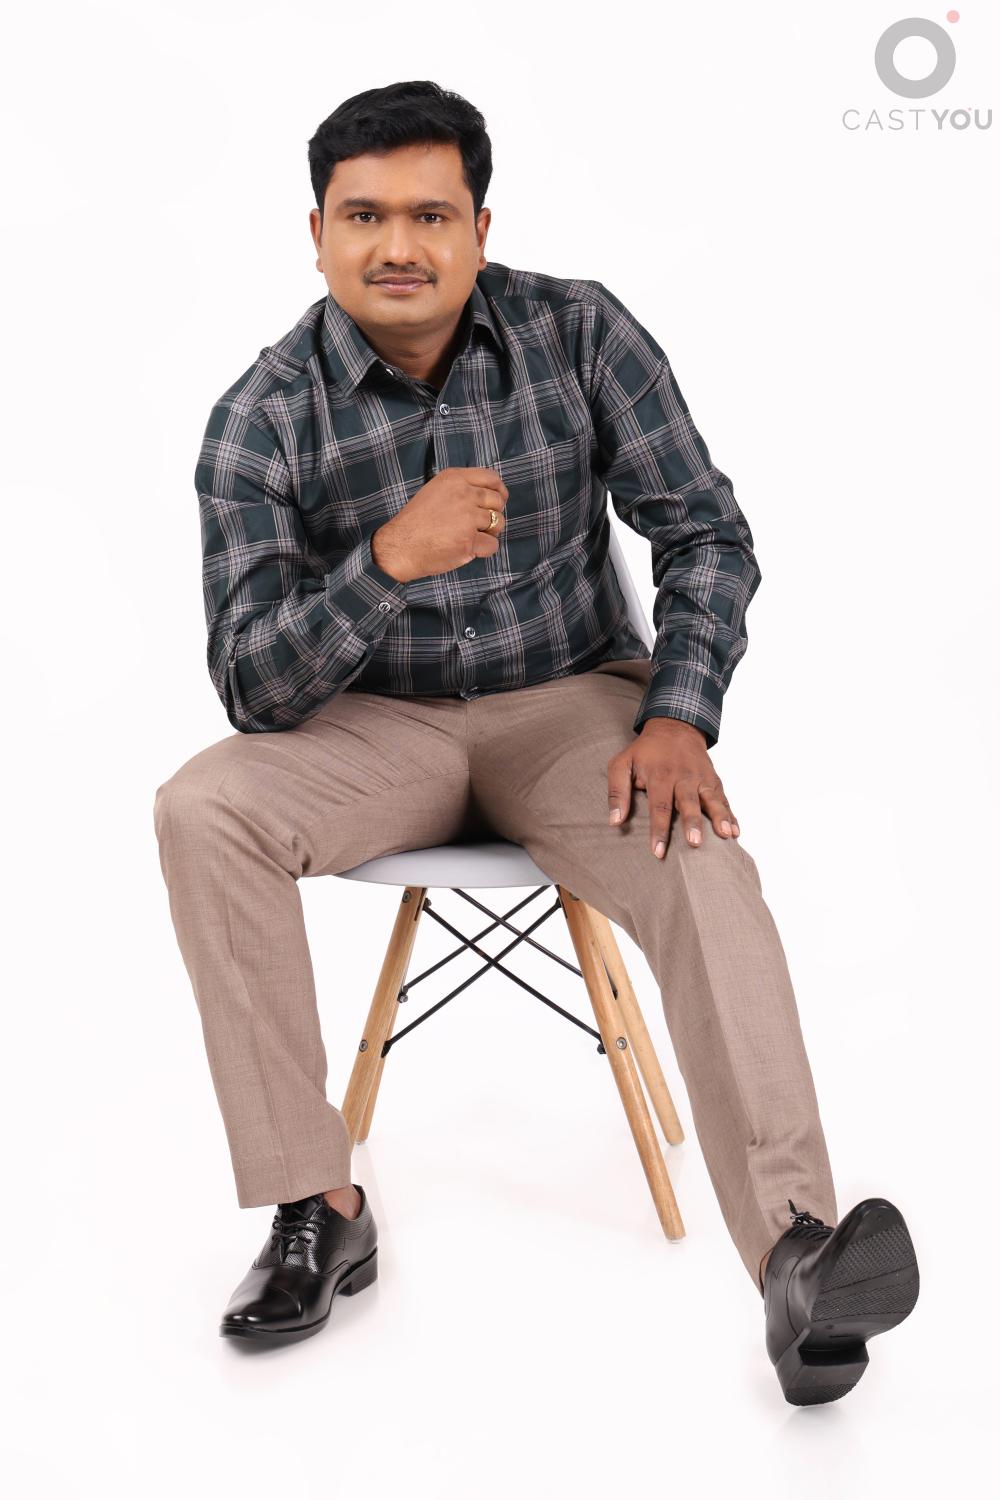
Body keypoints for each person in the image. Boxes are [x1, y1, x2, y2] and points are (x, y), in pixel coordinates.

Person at [153, 79, 919, 1402]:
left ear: (480, 229)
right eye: (366, 216)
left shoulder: (578, 332)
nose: (400, 244)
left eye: (431, 214)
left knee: (699, 857)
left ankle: (796, 1256)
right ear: (319, 234)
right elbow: (252, 685)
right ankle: (317, 1204)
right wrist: (387, 561)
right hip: (373, 727)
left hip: (570, 708)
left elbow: (706, 533)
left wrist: (677, 711)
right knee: (200, 806)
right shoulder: (262, 414)